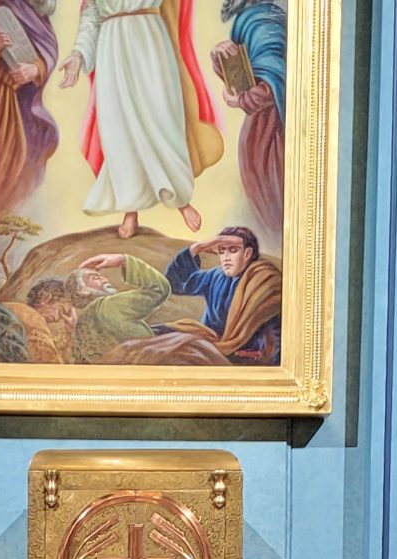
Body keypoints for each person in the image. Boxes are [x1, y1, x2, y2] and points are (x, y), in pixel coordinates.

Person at [58, 0, 221, 240]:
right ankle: (131, 209)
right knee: (120, 128)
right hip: (112, 49)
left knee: (164, 120)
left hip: (150, 42)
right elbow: (91, 16)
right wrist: (78, 54)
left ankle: (180, 199)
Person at [163, 226, 281, 365]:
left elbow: (276, 340)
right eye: (221, 251)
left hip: (247, 357)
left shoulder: (265, 281)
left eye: (233, 250)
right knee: (159, 335)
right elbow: (174, 284)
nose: (226, 258)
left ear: (247, 253)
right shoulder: (216, 276)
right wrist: (198, 247)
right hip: (210, 346)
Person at [215, 0, 284, 234]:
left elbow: (272, 85)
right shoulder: (252, 19)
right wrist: (221, 57)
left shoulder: (262, 22)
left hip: (271, 134)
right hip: (260, 131)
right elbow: (243, 78)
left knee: (273, 203)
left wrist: (242, 100)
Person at [0, 1, 58, 213]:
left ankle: (1, 215)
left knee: (17, 160)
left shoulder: (37, 12)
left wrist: (35, 69)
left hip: (18, 102)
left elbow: (49, 50)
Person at [69, 251, 172, 362]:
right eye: (96, 278)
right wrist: (123, 261)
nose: (106, 280)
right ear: (82, 290)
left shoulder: (82, 326)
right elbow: (159, 289)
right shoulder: (109, 306)